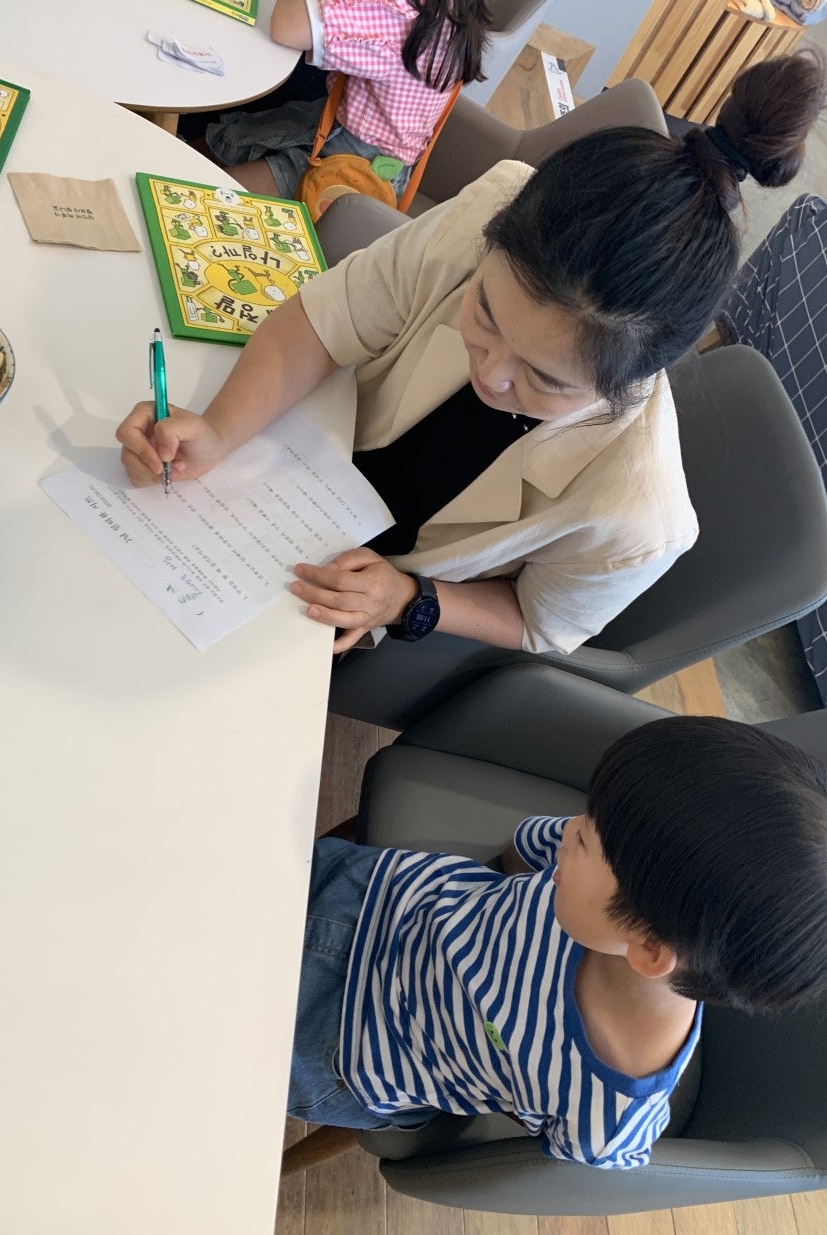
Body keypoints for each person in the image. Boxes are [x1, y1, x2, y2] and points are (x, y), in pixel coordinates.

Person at [117, 51, 825, 657]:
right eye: (485, 313)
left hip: (355, 592)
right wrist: (219, 430)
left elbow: (541, 622)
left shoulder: (637, 515)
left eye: (544, 379)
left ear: (629, 381)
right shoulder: (489, 210)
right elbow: (323, 321)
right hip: (287, 469)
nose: (491, 372)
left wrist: (411, 599)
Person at [290, 716, 827, 1165]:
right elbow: (521, 852)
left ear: (649, 950)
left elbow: (572, 1141)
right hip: (380, 892)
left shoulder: (609, 1111)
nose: (569, 829)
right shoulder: (605, 857)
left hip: (350, 1044)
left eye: (587, 841)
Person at [204, 0, 491, 200]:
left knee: (205, 191)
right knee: (222, 139)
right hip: (350, 133)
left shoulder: (398, 13)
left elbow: (286, 26)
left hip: (351, 168)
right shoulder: (455, 9)